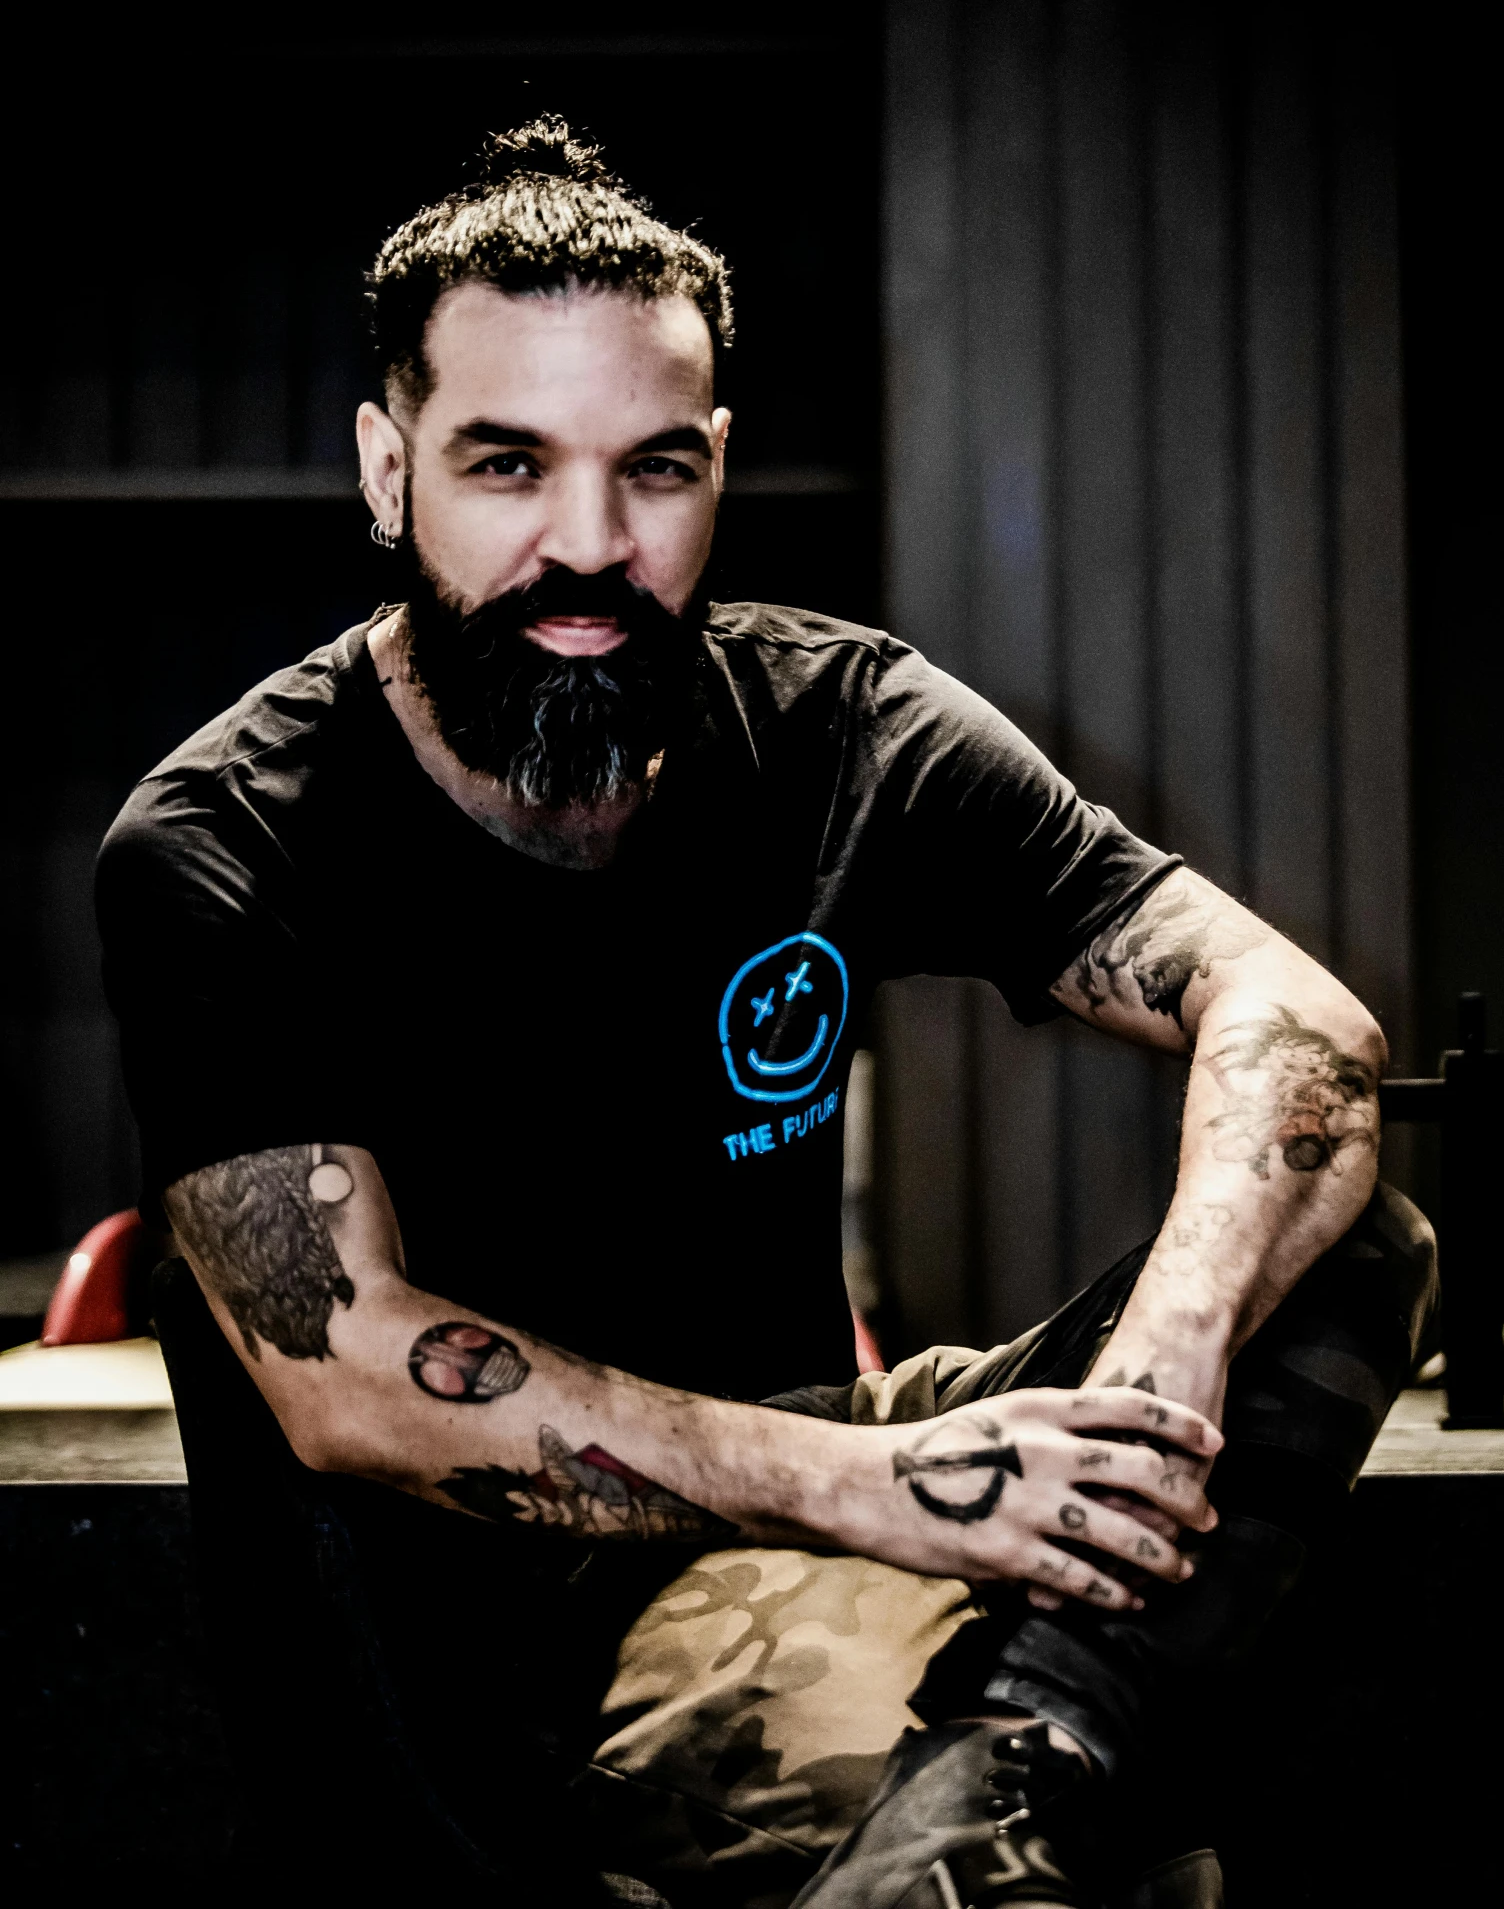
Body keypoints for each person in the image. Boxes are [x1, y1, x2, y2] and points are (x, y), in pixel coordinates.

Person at [97, 121, 1434, 1908]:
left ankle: (1007, 1774)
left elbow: (1294, 1014)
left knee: (1339, 1236)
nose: (588, 544)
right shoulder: (228, 840)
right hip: (494, 1652)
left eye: (653, 468)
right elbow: (360, 1384)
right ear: (385, 466)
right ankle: (1006, 1785)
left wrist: (1154, 1384)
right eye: (507, 464)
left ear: (717, 464)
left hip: (826, 1501)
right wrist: (889, 1484)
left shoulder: (836, 726)